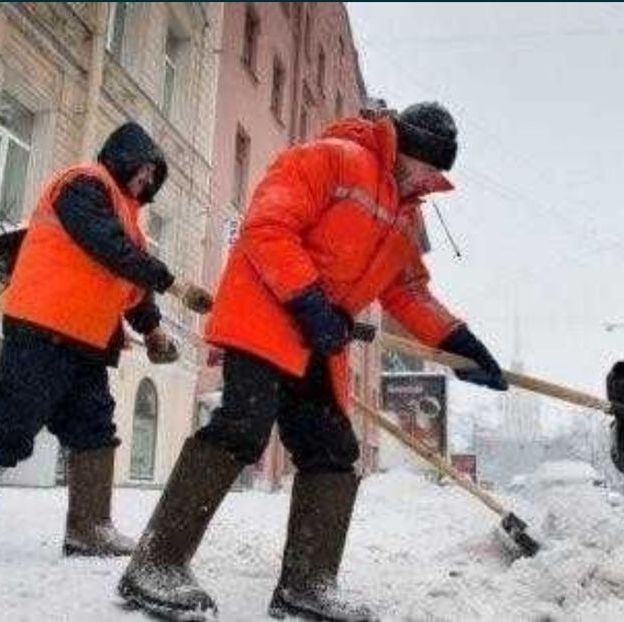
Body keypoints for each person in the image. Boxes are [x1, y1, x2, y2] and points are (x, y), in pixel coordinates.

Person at [118, 103, 508, 622]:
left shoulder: (405, 214)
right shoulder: (332, 159)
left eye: (437, 173)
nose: (431, 179)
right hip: (265, 317)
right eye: (427, 166)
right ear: (408, 148)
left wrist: (462, 343)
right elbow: (267, 226)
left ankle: (308, 583)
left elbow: (408, 291)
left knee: (332, 451)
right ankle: (155, 564)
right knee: (242, 427)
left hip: (317, 342)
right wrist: (309, 302)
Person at [0, 122, 213, 564]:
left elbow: (130, 283)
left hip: (88, 342)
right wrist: (173, 283)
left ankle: (89, 529)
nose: (148, 181)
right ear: (124, 156)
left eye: (155, 177)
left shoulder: (130, 217)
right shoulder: (84, 183)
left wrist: (151, 330)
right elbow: (107, 247)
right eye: (145, 170)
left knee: (94, 429)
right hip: (43, 327)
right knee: (11, 426)